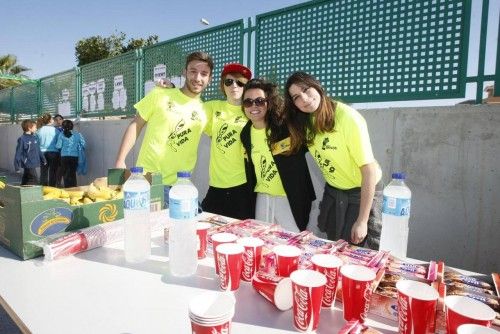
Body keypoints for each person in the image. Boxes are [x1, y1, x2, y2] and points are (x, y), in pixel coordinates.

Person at [284, 71, 382, 249]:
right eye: (296, 97)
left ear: (317, 86)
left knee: (356, 254)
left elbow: (369, 170)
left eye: (306, 89)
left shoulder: (347, 118)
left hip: (361, 193)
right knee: (334, 247)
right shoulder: (304, 123)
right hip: (334, 192)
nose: (304, 99)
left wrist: (362, 220)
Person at [114, 51, 213, 205]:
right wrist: (120, 161)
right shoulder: (160, 94)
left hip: (181, 187)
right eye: (193, 71)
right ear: (184, 72)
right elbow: (136, 124)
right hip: (149, 182)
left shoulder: (206, 111)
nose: (197, 78)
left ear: (209, 79)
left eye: (204, 74)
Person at [240, 79, 316, 232]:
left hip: (289, 198)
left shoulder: (285, 126)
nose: (254, 106)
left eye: (259, 101)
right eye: (248, 102)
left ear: (269, 102)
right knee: (264, 242)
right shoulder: (245, 134)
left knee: (292, 243)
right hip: (262, 196)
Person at [199, 63, 255, 219]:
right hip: (216, 186)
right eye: (229, 81)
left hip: (242, 187)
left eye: (240, 82)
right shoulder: (212, 107)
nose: (234, 86)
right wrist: (172, 88)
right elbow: (188, 106)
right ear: (223, 85)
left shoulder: (252, 110)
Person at [14, 119, 46, 185]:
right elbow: (18, 153)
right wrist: (16, 166)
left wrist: (43, 159)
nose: (36, 128)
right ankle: (34, 193)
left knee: (26, 178)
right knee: (34, 179)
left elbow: (38, 150)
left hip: (33, 162)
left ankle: (22, 190)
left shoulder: (34, 138)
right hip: (28, 163)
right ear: (29, 128)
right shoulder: (22, 139)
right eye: (35, 127)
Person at [56, 120, 86, 188]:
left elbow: (58, 146)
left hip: (64, 157)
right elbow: (84, 145)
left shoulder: (61, 134)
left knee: (65, 173)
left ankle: (67, 189)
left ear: (63, 127)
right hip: (74, 157)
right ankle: (74, 188)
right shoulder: (77, 134)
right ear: (72, 126)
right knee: (72, 173)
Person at [36, 113, 60, 186]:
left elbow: (36, 143)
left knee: (43, 171)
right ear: (50, 120)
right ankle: (52, 188)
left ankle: (43, 188)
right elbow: (59, 143)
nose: (53, 120)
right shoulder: (56, 131)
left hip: (42, 153)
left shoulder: (39, 130)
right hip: (54, 153)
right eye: (52, 119)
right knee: (53, 171)